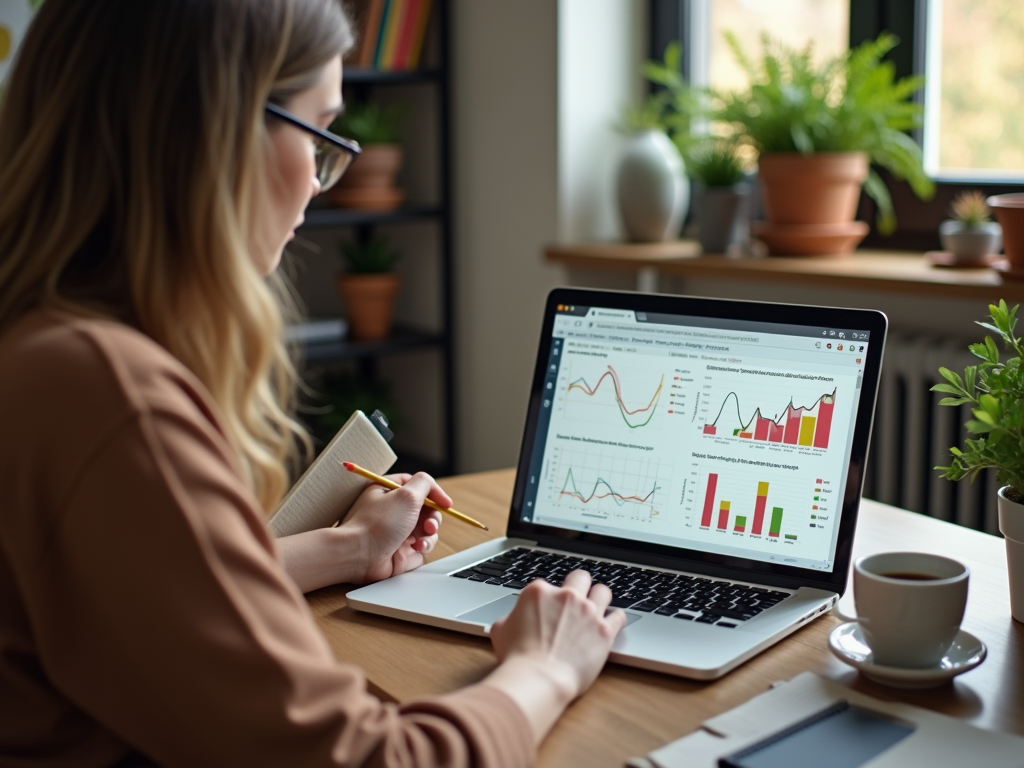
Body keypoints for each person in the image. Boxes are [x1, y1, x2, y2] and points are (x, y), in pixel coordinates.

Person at [0, 1, 627, 766]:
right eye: (323, 135)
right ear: (217, 127)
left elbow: (142, 596)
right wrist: (546, 668)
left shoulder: (39, 347)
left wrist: (347, 547)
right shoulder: (108, 397)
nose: (322, 183)